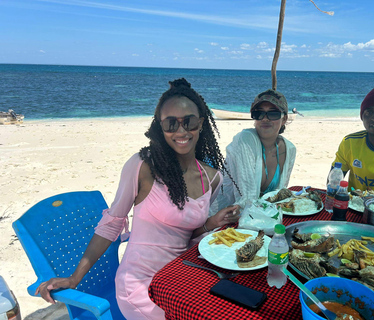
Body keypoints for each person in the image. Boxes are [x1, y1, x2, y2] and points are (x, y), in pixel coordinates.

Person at [35, 78, 239, 319]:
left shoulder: (211, 178)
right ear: (160, 128)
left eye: (189, 122)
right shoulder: (144, 166)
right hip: (140, 285)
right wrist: (74, 278)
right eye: (171, 124)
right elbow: (111, 225)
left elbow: (187, 234)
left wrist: (211, 223)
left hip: (180, 276)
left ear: (201, 123)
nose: (181, 131)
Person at [212, 89, 296, 212]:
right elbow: (247, 199)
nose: (265, 119)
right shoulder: (245, 140)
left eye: (273, 114)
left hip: (262, 216)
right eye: (259, 113)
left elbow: (279, 196)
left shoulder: (290, 150)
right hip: (225, 217)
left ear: (284, 119)